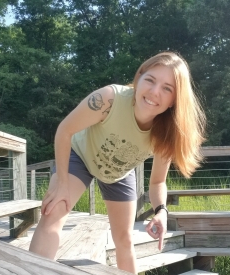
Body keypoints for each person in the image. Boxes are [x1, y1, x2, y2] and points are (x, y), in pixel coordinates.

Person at [29, 51, 206, 274]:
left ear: (174, 101)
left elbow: (157, 183)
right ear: (139, 78)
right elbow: (65, 130)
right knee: (54, 212)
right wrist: (62, 182)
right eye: (150, 80)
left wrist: (161, 211)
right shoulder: (109, 98)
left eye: (167, 88)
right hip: (81, 155)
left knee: (124, 239)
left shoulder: (167, 133)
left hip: (119, 173)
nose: (154, 92)